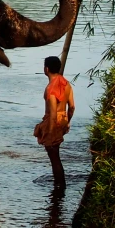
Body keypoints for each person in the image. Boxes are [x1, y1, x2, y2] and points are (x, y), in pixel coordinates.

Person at [33, 56, 75, 186]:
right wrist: (67, 121)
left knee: (54, 157)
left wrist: (50, 132)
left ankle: (59, 185)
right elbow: (72, 106)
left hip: (54, 121)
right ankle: (59, 185)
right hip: (63, 118)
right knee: (55, 155)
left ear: (46, 69)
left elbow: (52, 114)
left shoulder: (51, 88)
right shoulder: (66, 83)